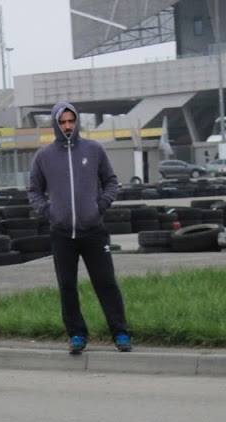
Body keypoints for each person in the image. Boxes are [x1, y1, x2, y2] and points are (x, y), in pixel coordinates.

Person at [27, 101, 132, 355]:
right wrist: (49, 212)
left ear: (77, 122)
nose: (67, 126)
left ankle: (120, 332)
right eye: (62, 122)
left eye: (71, 121)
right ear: (55, 124)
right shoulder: (44, 156)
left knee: (106, 283)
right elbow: (34, 191)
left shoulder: (94, 150)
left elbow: (111, 181)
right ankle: (76, 334)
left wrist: (100, 205)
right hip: (62, 234)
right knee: (67, 286)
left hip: (93, 231)